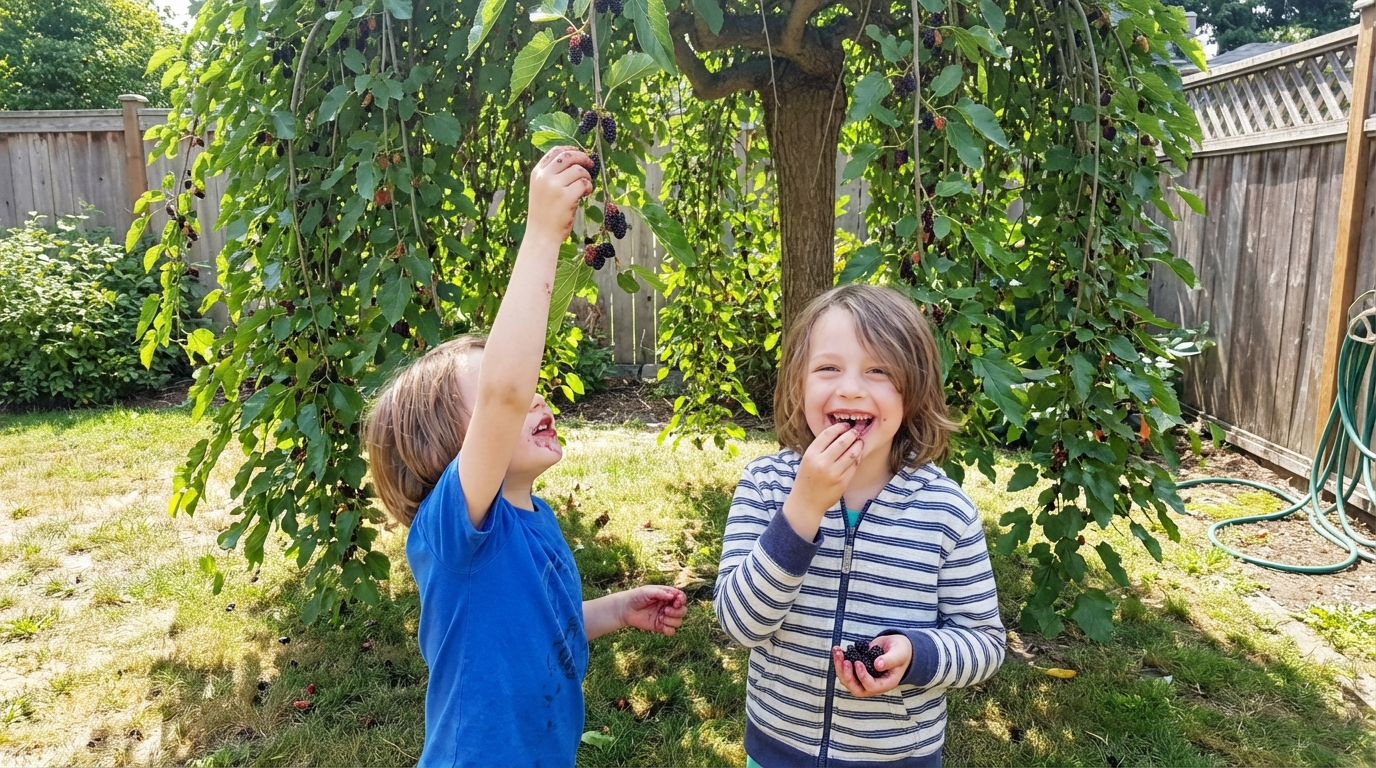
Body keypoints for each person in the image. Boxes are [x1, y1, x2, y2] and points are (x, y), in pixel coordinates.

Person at [362, 146, 688, 767]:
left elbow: (538, 624)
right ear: (451, 447)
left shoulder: (532, 517)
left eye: (522, 390)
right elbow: (506, 392)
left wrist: (617, 611)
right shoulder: (454, 534)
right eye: (497, 400)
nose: (531, 396)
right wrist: (543, 234)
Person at [716, 284, 1005, 767]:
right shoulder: (767, 487)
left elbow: (985, 643)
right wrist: (802, 508)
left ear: (913, 390)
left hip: (897, 756)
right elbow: (738, 624)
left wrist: (916, 655)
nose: (850, 388)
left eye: (879, 370)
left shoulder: (945, 511)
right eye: (828, 368)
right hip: (778, 752)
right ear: (799, 384)